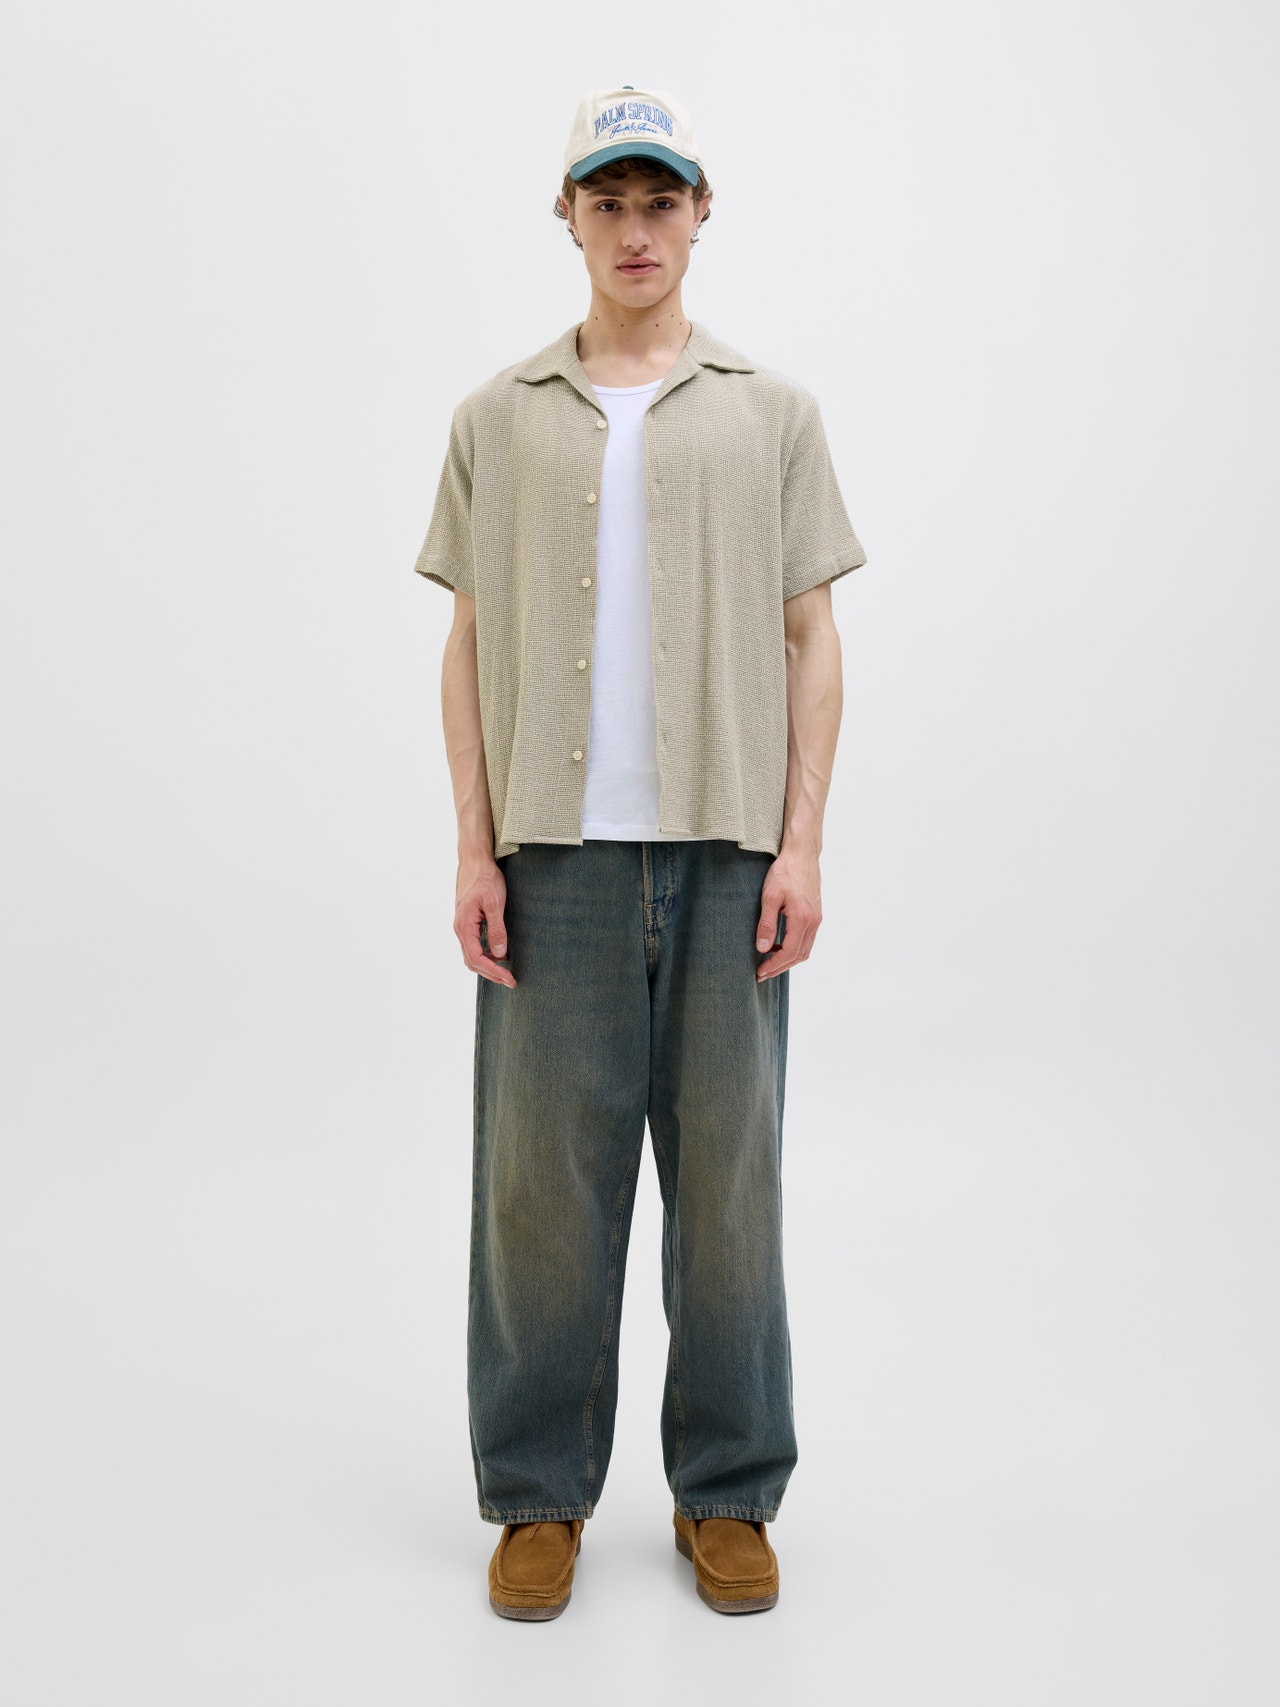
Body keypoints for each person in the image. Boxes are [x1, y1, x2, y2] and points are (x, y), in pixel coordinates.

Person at [412, 84, 867, 1621]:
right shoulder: (498, 418)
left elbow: (814, 637)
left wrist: (802, 843)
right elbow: (468, 644)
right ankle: (537, 1495)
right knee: (540, 1199)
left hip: (729, 857)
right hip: (555, 865)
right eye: (605, 201)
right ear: (567, 218)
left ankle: (727, 1492)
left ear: (700, 212)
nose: (634, 228)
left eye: (658, 200)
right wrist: (472, 848)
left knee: (729, 1196)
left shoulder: (770, 413)